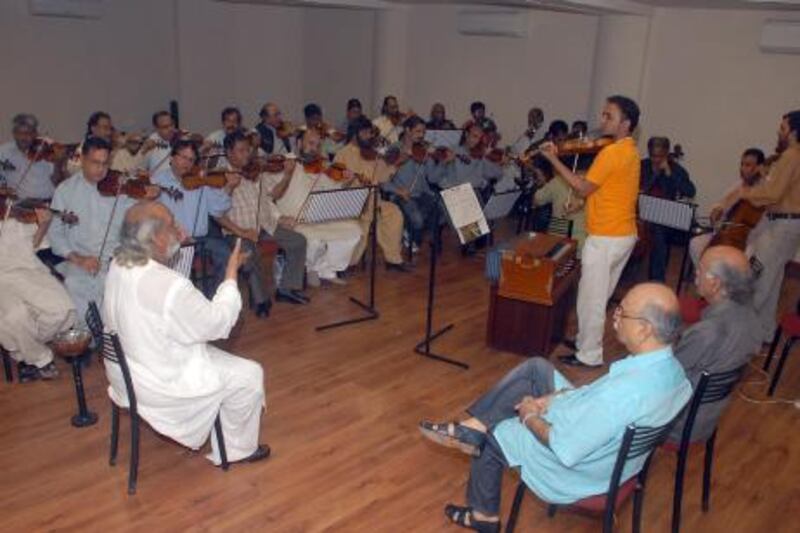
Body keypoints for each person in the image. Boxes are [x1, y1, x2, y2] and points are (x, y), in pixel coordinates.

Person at [419, 283, 691, 532]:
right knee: (537, 368)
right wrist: (556, 397)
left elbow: (565, 448)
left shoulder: (623, 394)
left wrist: (528, 415)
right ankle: (471, 428)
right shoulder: (674, 372)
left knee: (496, 432)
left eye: (622, 311)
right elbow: (599, 399)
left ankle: (484, 516)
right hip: (615, 454)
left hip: (579, 470)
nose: (615, 316)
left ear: (645, 329)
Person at [103, 201, 269, 466]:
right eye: (172, 225)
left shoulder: (118, 262)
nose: (180, 230)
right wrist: (230, 273)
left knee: (206, 348)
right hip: (157, 382)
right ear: (156, 238)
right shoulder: (169, 286)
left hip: (124, 373)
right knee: (250, 374)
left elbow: (161, 308)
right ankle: (238, 450)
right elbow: (219, 325)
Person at [540, 95, 641, 368]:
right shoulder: (630, 151)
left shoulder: (611, 153)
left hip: (607, 236)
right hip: (623, 234)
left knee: (591, 299)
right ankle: (586, 340)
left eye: (609, 116)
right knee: (598, 295)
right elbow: (605, 188)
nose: (602, 120)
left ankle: (589, 355)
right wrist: (582, 201)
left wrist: (553, 160)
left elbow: (583, 186)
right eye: (603, 114)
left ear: (626, 123)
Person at [49, 137, 156, 324]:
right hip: (81, 260)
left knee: (140, 288)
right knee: (76, 285)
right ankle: (91, 340)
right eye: (95, 163)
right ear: (82, 159)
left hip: (117, 258)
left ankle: (119, 339)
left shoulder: (120, 187)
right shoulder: (65, 191)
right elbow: (56, 235)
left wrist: (147, 198)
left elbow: (138, 220)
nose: (101, 169)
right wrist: (79, 259)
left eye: (106, 163)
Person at [670, 245, 760, 442]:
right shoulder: (751, 317)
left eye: (700, 269)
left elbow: (667, 375)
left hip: (680, 422)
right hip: (709, 417)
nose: (696, 273)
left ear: (715, 283)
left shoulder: (706, 332)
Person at [216, 129, 310, 308]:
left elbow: (274, 195)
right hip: (237, 230)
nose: (247, 154)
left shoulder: (254, 171)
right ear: (229, 152)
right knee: (251, 253)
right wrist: (229, 187)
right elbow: (216, 212)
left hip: (264, 225)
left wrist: (288, 175)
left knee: (298, 241)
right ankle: (261, 301)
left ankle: (286, 289)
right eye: (241, 150)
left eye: (248, 149)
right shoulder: (219, 176)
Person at [738, 109, 800, 346]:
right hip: (788, 226)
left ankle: (742, 340)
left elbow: (772, 193)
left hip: (782, 226)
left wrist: (748, 193)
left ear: (794, 132)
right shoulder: (795, 156)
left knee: (758, 282)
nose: (779, 131)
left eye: (783, 128)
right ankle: (764, 333)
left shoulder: (792, 156)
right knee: (772, 282)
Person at [273, 128, 362, 286]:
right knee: (313, 241)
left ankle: (326, 269)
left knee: (354, 230)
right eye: (311, 143)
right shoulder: (284, 164)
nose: (314, 149)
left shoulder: (318, 167)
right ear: (299, 143)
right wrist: (279, 218)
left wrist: (346, 182)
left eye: (318, 145)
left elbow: (331, 191)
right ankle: (310, 268)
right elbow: (270, 196)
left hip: (318, 217)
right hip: (293, 220)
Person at [152, 140, 238, 296]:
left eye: (191, 159)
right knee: (175, 268)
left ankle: (214, 300)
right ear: (172, 157)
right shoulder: (157, 182)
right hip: (173, 241)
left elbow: (218, 209)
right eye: (183, 157)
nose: (187, 163)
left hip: (200, 240)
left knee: (225, 254)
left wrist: (229, 187)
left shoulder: (200, 180)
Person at [0, 204, 75, 382]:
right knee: (15, 316)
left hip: (27, 270)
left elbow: (34, 243)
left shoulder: (13, 210)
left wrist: (44, 224)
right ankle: (41, 359)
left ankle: (25, 352)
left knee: (62, 309)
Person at [334, 116, 411, 272]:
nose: (370, 136)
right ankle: (349, 263)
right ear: (356, 134)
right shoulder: (342, 154)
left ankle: (393, 259)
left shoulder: (371, 153)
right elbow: (336, 183)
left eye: (370, 133)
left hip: (374, 200)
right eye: (366, 133)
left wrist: (395, 164)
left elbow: (381, 177)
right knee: (362, 222)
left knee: (394, 213)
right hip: (352, 203)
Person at [689, 148, 766, 267]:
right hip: (727, 234)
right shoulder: (739, 185)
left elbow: (761, 224)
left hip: (752, 240)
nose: (743, 168)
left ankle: (734, 283)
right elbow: (722, 204)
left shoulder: (765, 190)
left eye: (748, 165)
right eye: (742, 164)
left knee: (746, 257)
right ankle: (704, 278)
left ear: (759, 168)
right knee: (696, 243)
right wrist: (717, 211)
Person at [640, 136, 696, 282]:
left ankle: (656, 281)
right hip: (641, 212)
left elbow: (690, 191)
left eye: (660, 156)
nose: (656, 160)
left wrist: (670, 174)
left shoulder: (677, 170)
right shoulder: (642, 166)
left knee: (659, 233)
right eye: (653, 156)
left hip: (662, 216)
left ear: (666, 154)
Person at [383, 116, 441, 249]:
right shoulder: (394, 150)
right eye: (418, 132)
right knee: (417, 219)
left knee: (439, 208)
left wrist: (436, 160)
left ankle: (411, 231)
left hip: (421, 193)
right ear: (407, 130)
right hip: (400, 195)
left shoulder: (422, 151)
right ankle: (409, 231)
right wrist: (398, 191)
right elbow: (382, 180)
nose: (422, 136)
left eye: (423, 132)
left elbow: (432, 178)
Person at [532, 155, 586, 256]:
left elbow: (537, 199)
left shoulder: (558, 180)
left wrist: (544, 184)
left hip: (560, 227)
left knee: (556, 260)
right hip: (584, 232)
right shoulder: (590, 182)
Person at [0, 114, 63, 199]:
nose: (24, 137)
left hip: (46, 202)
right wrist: (4, 189)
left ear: (35, 134)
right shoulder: (4, 152)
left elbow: (56, 181)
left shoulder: (46, 150)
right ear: (14, 134)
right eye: (20, 133)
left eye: (29, 133)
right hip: (19, 204)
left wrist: (58, 162)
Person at [66, 111, 115, 176]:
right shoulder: (84, 148)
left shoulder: (109, 147)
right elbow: (72, 170)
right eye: (105, 128)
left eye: (110, 129)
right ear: (93, 128)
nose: (109, 132)